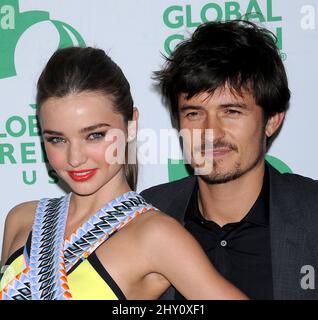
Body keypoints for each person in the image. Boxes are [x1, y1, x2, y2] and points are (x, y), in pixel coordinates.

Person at [0, 46, 247, 300]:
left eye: (94, 135)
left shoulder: (156, 236)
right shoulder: (21, 219)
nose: (75, 158)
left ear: (131, 126)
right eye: (57, 139)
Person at [141, 20, 318, 300]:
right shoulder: (145, 215)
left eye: (232, 111)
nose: (210, 132)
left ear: (272, 120)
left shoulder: (312, 214)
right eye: (194, 113)